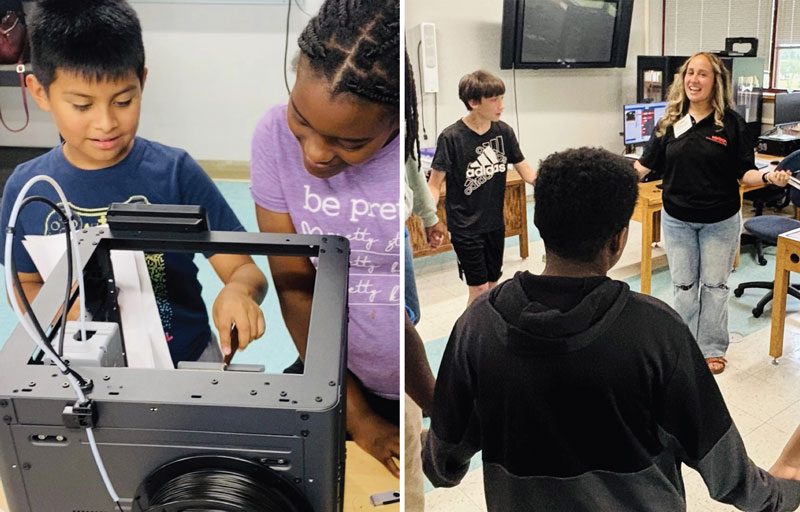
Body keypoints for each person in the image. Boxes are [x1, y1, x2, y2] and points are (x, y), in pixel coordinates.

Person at [422, 147, 800, 512]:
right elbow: (728, 474)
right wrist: (786, 485)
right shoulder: (658, 332)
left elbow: (442, 465)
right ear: (619, 239)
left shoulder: (477, 325)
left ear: (539, 223)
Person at [0, 0, 267, 366]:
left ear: (142, 80)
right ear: (39, 92)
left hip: (185, 359)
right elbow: (23, 283)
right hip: (79, 367)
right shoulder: (27, 189)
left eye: (123, 101)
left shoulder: (176, 173)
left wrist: (239, 291)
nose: (106, 122)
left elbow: (243, 269)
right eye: (82, 105)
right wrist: (61, 311)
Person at [250, 0, 400, 477]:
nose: (314, 154)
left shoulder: (410, 169)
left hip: (407, 385)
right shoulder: (273, 136)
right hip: (332, 375)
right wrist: (357, 416)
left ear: (397, 123)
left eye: (349, 143)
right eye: (302, 119)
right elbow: (293, 283)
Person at [634, 52, 791, 375]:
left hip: (720, 221)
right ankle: (684, 344)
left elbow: (745, 173)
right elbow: (644, 166)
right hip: (677, 219)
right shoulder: (669, 121)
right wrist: (604, 174)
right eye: (690, 73)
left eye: (702, 74)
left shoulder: (731, 123)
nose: (694, 79)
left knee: (715, 287)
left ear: (716, 81)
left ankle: (712, 348)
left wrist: (767, 176)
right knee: (684, 286)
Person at [428, 70, 537, 307]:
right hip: (465, 227)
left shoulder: (504, 132)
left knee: (492, 285)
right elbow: (434, 184)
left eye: (502, 98)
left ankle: (488, 332)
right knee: (478, 288)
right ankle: (468, 338)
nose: (502, 105)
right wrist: (429, 219)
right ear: (473, 102)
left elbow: (527, 172)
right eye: (494, 99)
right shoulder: (451, 137)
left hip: (494, 224)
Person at [404, 49, 445, 324]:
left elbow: (411, 167)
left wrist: (430, 217)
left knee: (409, 314)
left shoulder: (401, 121)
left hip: (397, 231)